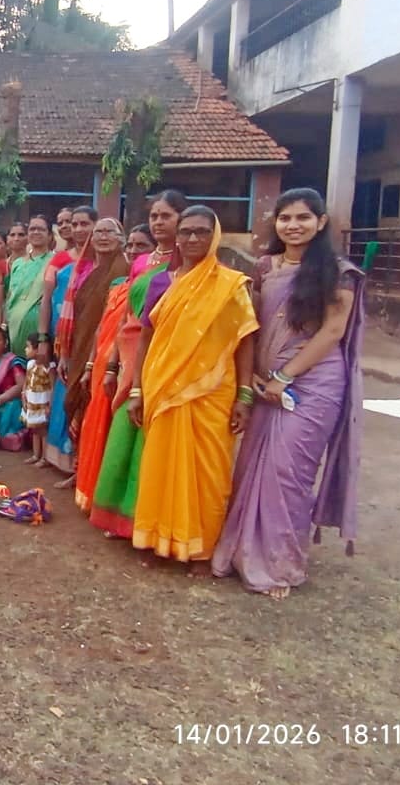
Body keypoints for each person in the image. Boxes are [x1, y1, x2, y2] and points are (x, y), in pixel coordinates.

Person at [213, 189, 364, 599]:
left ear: (321, 222)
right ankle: (242, 553)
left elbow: (332, 332)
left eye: (303, 217)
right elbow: (251, 325)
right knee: (251, 466)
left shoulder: (339, 272)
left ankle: (280, 566)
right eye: (285, 218)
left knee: (287, 472)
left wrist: (285, 375)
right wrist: (255, 377)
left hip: (315, 384)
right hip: (266, 381)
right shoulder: (265, 268)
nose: (293, 225)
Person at [127, 206, 258, 573]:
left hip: (212, 391)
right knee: (160, 465)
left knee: (210, 472)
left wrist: (245, 395)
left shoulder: (232, 285)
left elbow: (245, 341)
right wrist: (136, 390)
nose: (192, 238)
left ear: (214, 237)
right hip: (163, 386)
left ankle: (202, 547)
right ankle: (158, 539)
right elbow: (145, 338)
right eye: (186, 231)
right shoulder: (161, 283)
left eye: (202, 231)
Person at [90, 192, 184, 539]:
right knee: (124, 433)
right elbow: (126, 317)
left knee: (152, 439)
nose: (158, 222)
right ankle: (119, 518)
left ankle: (148, 519)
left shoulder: (191, 265)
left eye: (166, 216)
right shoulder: (142, 262)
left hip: (168, 359)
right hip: (132, 358)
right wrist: (113, 364)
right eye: (154, 216)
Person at [77, 224, 157, 513]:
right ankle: (89, 487)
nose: (134, 251)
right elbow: (102, 327)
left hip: (137, 365)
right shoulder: (119, 284)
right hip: (108, 362)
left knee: (119, 431)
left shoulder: (161, 282)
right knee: (95, 422)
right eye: (131, 245)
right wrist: (92, 365)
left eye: (141, 246)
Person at [58, 217, 130, 489]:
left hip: (108, 350)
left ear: (120, 238)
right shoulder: (88, 271)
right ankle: (80, 469)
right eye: (99, 232)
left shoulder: (125, 269)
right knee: (76, 402)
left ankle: (95, 476)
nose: (103, 237)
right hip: (82, 346)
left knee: (97, 409)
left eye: (110, 232)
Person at [45, 206, 97, 475]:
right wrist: (44, 337)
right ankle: (62, 459)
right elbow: (48, 298)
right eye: (73, 224)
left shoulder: (105, 262)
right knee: (64, 395)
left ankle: (82, 465)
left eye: (84, 224)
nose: (77, 229)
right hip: (65, 339)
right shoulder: (62, 259)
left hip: (92, 340)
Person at [2, 215, 53, 354]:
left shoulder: (55, 261)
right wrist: (4, 325)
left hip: (40, 329)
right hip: (13, 326)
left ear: (49, 235)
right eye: (32, 229)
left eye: (41, 229)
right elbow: (10, 296)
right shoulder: (17, 263)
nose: (36, 232)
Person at [23, 333, 52, 464]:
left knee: (43, 431)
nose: (25, 349)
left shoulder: (49, 367)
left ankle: (44, 458)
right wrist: (24, 396)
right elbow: (26, 382)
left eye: (28, 347)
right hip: (32, 402)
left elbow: (52, 386)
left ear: (38, 349)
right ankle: (36, 455)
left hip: (42, 403)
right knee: (35, 429)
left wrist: (50, 405)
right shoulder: (30, 364)